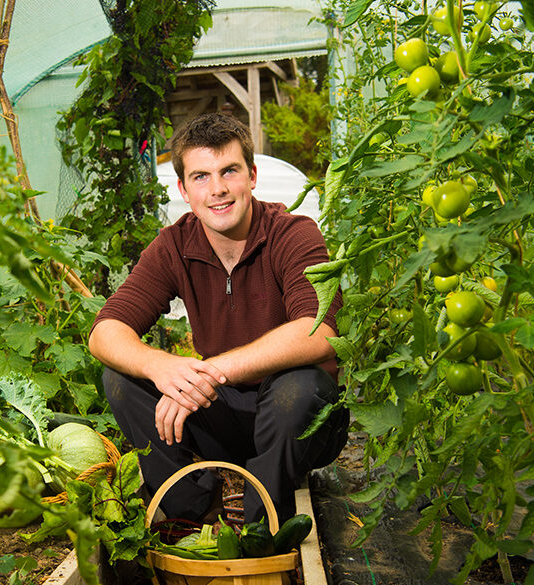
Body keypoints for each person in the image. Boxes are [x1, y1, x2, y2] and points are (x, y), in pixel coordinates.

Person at [88, 112, 348, 525]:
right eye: (201, 177)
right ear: (184, 189)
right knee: (121, 377)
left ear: (252, 176)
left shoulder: (293, 234)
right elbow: (105, 332)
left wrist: (211, 371)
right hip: (222, 418)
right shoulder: (174, 245)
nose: (218, 189)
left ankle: (267, 527)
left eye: (229, 170)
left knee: (300, 385)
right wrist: (161, 367)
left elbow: (318, 333)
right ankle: (187, 510)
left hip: (298, 423)